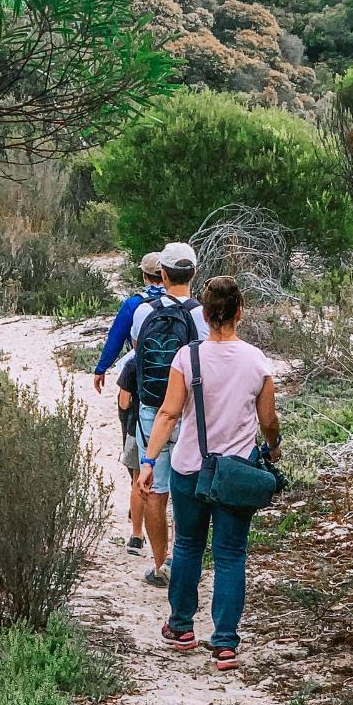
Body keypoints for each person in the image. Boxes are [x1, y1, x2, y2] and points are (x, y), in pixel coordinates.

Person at [138, 275, 280, 670]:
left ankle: (181, 626)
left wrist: (149, 462)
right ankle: (225, 644)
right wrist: (273, 447)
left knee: (188, 546)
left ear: (204, 313)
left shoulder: (187, 357)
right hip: (235, 472)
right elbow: (268, 420)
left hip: (189, 469)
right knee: (231, 555)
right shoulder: (257, 361)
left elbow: (168, 413)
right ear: (239, 312)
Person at [131, 242, 209, 587]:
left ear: (161, 274)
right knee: (187, 487)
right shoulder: (201, 314)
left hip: (151, 407)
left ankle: (160, 565)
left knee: (155, 485)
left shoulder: (143, 312)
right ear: (193, 273)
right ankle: (183, 557)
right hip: (190, 409)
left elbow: (138, 356)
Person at [92, 252, 165, 394]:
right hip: (177, 368)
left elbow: (116, 338)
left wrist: (101, 368)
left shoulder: (133, 304)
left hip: (145, 367)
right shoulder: (180, 301)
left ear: (144, 276)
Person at [115, 350, 145, 554]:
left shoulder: (133, 363)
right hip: (172, 427)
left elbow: (124, 402)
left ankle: (136, 535)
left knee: (137, 479)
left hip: (138, 427)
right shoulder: (178, 359)